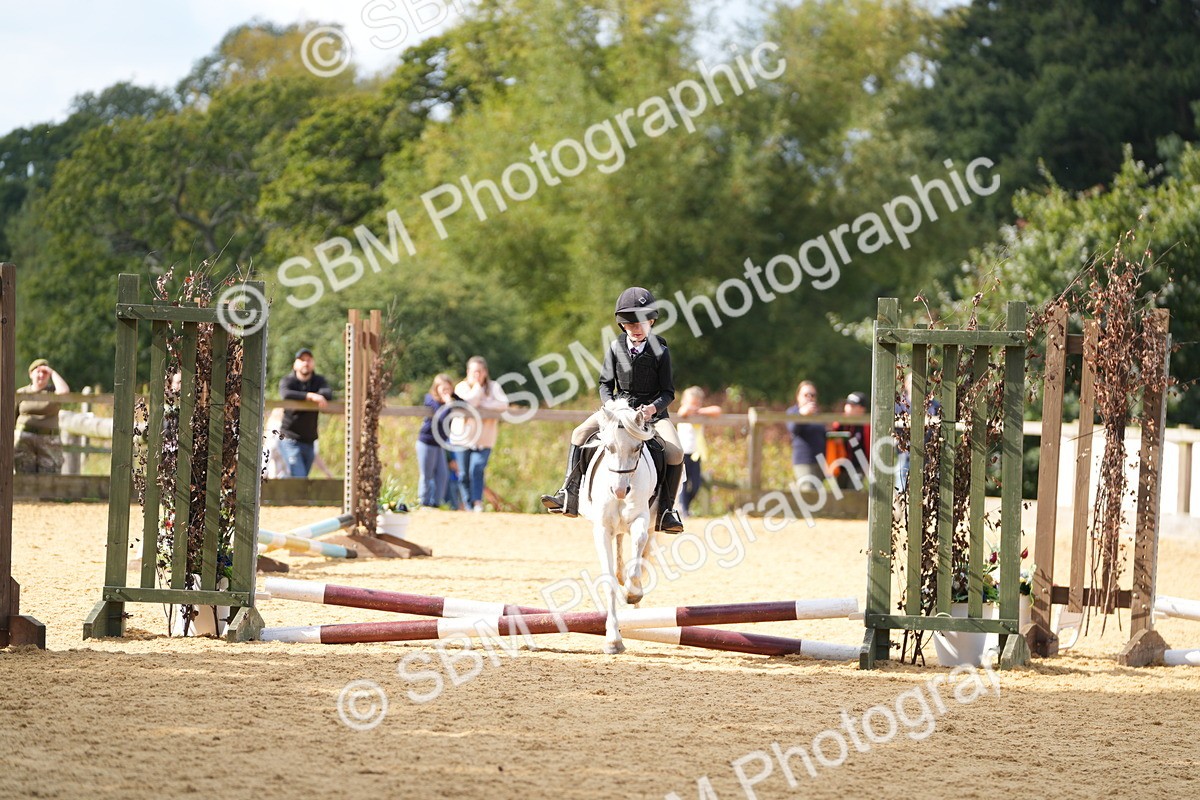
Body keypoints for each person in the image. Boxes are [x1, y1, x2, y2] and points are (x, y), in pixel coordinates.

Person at [541, 286, 685, 533]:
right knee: (578, 433)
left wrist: (652, 409)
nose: (635, 329)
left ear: (651, 321)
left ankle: (667, 510)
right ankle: (569, 492)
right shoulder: (615, 347)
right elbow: (605, 384)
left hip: (652, 413)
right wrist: (609, 405)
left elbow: (668, 392)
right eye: (630, 325)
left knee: (676, 453)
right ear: (622, 326)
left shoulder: (661, 350)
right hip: (618, 409)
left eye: (640, 323)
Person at [453, 356, 508, 512]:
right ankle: (468, 504)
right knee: (463, 474)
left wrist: (483, 403)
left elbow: (503, 404)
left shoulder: (493, 387)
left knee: (476, 468)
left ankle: (477, 502)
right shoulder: (462, 387)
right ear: (468, 372)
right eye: (474, 371)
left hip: (484, 438)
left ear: (485, 372)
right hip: (462, 438)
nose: (477, 374)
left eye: (480, 371)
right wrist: (478, 390)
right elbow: (468, 403)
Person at [277, 348, 333, 478]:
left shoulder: (318, 381)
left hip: (309, 441)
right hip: (289, 438)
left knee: (297, 480)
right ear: (295, 364)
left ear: (313, 363)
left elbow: (328, 393)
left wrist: (317, 395)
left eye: (308, 360)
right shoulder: (288, 381)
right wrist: (311, 396)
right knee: (300, 477)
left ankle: (280, 496)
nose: (305, 363)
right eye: (302, 360)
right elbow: (285, 394)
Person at [15, 359, 70, 474]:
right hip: (24, 440)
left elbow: (64, 392)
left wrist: (52, 372)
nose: (41, 375)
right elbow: (11, 417)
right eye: (38, 371)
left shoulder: (53, 392)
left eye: (44, 372)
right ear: (31, 374)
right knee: (24, 476)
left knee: (49, 478)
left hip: (48, 441)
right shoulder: (22, 392)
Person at [675, 386, 723, 518]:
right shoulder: (684, 411)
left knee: (696, 484)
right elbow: (682, 412)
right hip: (683, 452)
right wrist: (691, 408)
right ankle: (684, 511)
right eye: (692, 403)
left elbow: (717, 411)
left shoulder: (701, 413)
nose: (695, 408)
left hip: (696, 453)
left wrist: (700, 410)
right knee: (683, 483)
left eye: (698, 404)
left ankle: (685, 506)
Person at [416, 374, 455, 508]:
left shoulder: (450, 400)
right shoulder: (430, 399)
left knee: (442, 475)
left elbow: (465, 404)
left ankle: (436, 503)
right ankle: (423, 502)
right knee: (427, 475)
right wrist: (449, 404)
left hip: (439, 444)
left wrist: (453, 399)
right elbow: (441, 417)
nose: (446, 392)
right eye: (443, 388)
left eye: (448, 389)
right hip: (427, 442)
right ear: (436, 388)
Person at [787, 380, 827, 483]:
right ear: (798, 397)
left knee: (818, 496)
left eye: (813, 395)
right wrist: (802, 414)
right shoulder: (793, 412)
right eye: (806, 395)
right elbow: (793, 429)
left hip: (820, 462)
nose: (810, 398)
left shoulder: (818, 415)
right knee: (807, 495)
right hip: (804, 461)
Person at [829, 391, 871, 488]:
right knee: (840, 495)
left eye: (852, 405)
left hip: (858, 467)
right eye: (847, 404)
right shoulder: (839, 423)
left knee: (853, 493)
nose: (848, 407)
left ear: (862, 409)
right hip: (840, 468)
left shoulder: (867, 426)